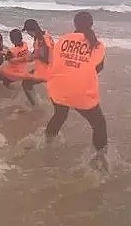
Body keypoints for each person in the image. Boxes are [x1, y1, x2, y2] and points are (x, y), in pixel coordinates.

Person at [45, 11, 108, 166]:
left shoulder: (63, 39)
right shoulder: (98, 46)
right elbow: (98, 68)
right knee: (99, 124)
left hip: (57, 88)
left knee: (60, 114)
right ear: (91, 25)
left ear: (75, 24)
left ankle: (46, 143)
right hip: (82, 93)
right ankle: (100, 159)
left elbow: (56, 61)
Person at [0, 29, 36, 104]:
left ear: (12, 40)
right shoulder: (25, 45)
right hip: (23, 71)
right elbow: (16, 54)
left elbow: (8, 58)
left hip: (12, 74)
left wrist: (1, 54)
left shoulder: (12, 51)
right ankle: (9, 87)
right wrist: (5, 52)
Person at [20, 19, 55, 105]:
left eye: (27, 31)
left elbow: (44, 56)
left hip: (46, 71)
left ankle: (35, 104)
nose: (28, 34)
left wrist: (31, 57)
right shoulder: (46, 35)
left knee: (25, 84)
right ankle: (38, 101)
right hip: (51, 68)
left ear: (31, 30)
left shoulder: (40, 40)